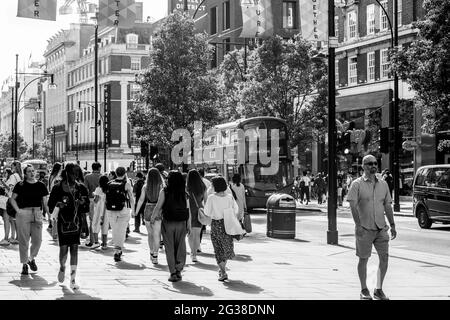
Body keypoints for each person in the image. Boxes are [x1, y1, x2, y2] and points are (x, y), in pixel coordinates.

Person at [347, 154, 397, 300]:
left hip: (381, 228)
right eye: (369, 163)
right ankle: (364, 289)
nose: (373, 166)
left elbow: (387, 205)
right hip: (365, 228)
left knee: (385, 258)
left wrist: (392, 224)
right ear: (363, 166)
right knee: (363, 259)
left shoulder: (383, 184)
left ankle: (378, 289)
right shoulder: (357, 184)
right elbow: (353, 206)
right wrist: (358, 225)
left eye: (375, 163)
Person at [48, 163, 89, 290]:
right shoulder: (57, 188)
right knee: (64, 249)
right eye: (73, 173)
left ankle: (72, 279)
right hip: (63, 222)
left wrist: (82, 203)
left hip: (76, 223)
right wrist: (58, 205)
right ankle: (62, 267)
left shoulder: (81, 187)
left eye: (77, 173)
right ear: (66, 173)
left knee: (75, 249)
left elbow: (86, 207)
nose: (75, 176)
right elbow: (50, 206)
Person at [10, 164, 49, 275]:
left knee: (38, 240)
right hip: (23, 213)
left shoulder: (41, 185)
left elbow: (45, 203)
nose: (32, 173)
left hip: (37, 213)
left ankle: (30, 259)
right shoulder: (20, 185)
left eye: (33, 171)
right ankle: (24, 265)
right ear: (25, 173)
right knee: (24, 241)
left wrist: (50, 216)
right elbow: (12, 199)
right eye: (29, 171)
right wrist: (18, 211)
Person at [153, 170, 190, 282]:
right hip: (182, 222)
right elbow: (188, 210)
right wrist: (189, 224)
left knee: (169, 247)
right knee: (181, 246)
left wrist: (153, 217)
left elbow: (158, 206)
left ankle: (172, 272)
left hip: (168, 222)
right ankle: (179, 269)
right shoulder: (184, 193)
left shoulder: (164, 191)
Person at [204, 176, 239, 281]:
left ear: (215, 186)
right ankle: (222, 270)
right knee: (226, 247)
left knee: (218, 248)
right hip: (228, 224)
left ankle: (223, 271)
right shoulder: (229, 197)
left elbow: (207, 212)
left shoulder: (211, 198)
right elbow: (236, 210)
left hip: (216, 225)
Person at [105, 167, 135, 262]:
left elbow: (105, 198)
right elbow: (131, 197)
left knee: (114, 230)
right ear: (124, 173)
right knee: (121, 231)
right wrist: (133, 210)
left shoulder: (109, 184)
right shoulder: (126, 184)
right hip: (123, 209)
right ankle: (118, 250)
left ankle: (116, 248)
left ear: (116, 174)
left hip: (110, 210)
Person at [135, 168, 164, 264]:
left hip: (148, 209)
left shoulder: (145, 186)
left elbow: (141, 200)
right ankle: (155, 255)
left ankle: (151, 251)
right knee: (157, 234)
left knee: (150, 234)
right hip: (158, 210)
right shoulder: (161, 186)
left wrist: (136, 211)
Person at [186, 169, 208, 263]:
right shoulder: (203, 186)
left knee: (190, 234)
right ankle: (194, 254)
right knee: (197, 234)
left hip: (189, 211)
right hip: (200, 211)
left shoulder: (187, 188)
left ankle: (192, 253)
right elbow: (206, 200)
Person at [0, 162, 23, 246]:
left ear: (14, 167)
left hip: (9, 199)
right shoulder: (19, 176)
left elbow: (10, 188)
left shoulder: (13, 176)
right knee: (12, 219)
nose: (11, 167)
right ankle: (14, 237)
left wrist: (2, 182)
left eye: (12, 166)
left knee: (6, 218)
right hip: (17, 200)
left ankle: (6, 238)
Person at [84, 162, 102, 248]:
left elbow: (85, 189)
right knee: (101, 220)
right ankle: (101, 240)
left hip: (91, 200)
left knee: (92, 221)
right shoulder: (102, 177)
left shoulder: (87, 177)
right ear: (99, 168)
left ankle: (92, 240)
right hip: (102, 200)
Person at [92, 175, 110, 250]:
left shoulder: (98, 189)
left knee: (96, 224)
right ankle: (104, 243)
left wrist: (94, 196)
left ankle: (96, 242)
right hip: (107, 209)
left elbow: (96, 200)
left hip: (99, 209)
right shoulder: (109, 189)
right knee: (105, 225)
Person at [47, 163, 62, 237]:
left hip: (51, 196)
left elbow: (49, 187)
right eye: (61, 167)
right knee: (57, 214)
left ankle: (53, 229)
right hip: (57, 197)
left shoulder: (51, 176)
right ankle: (55, 232)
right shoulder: (58, 177)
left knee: (53, 213)